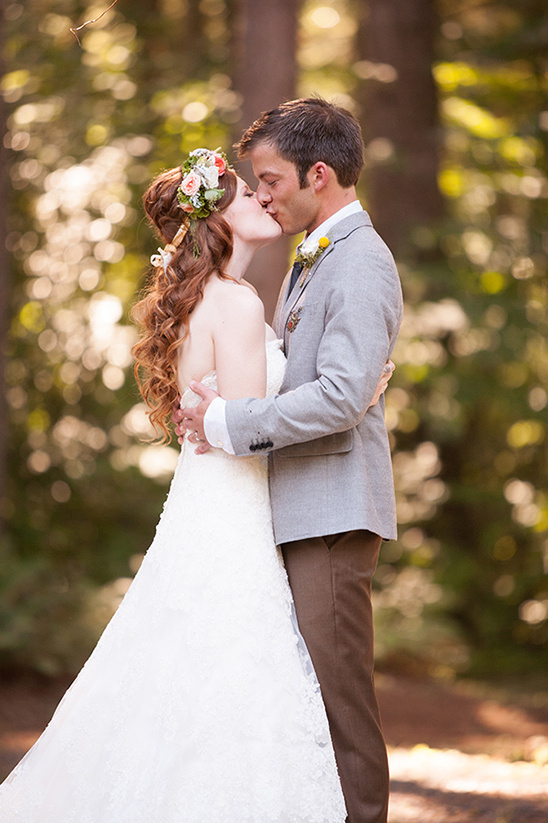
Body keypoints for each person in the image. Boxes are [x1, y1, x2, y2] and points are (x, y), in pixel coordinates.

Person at [0, 150, 348, 821]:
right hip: (232, 506)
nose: (263, 201)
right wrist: (351, 397)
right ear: (218, 218)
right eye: (247, 194)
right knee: (232, 660)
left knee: (185, 659)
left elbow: (227, 413)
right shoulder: (238, 303)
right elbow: (249, 424)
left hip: (205, 499)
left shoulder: (198, 302)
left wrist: (223, 412)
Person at [177, 99, 404, 823]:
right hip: (297, 506)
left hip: (332, 511)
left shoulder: (361, 261)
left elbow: (338, 398)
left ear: (320, 174)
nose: (263, 194)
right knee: (308, 701)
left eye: (270, 179)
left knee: (340, 705)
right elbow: (327, 384)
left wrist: (225, 420)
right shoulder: (310, 260)